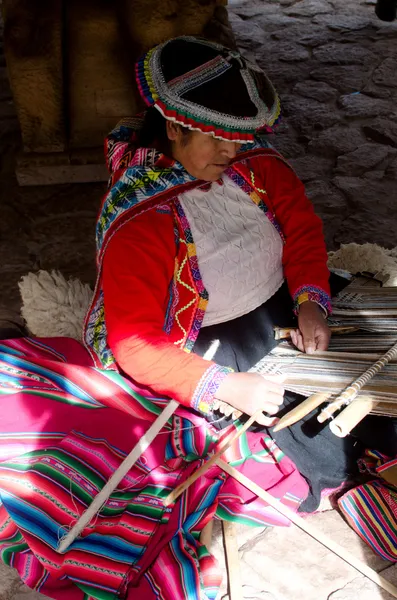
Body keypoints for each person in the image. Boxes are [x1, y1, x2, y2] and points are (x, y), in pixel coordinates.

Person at [0, 36, 393, 600]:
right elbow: (135, 344)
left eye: (241, 137)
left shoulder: (256, 165)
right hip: (221, 340)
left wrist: (311, 300)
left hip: (287, 308)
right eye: (215, 137)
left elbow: (302, 228)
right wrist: (226, 385)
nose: (233, 151)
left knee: (382, 387)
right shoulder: (142, 216)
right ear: (172, 125)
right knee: (332, 449)